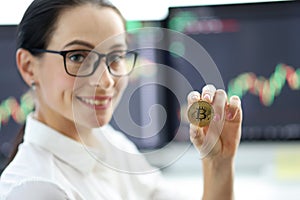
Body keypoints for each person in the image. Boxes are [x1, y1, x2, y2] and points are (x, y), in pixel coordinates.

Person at [0, 0, 243, 199]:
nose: (105, 81)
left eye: (115, 57)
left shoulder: (110, 144)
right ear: (29, 67)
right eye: (77, 57)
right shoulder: (37, 190)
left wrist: (219, 164)